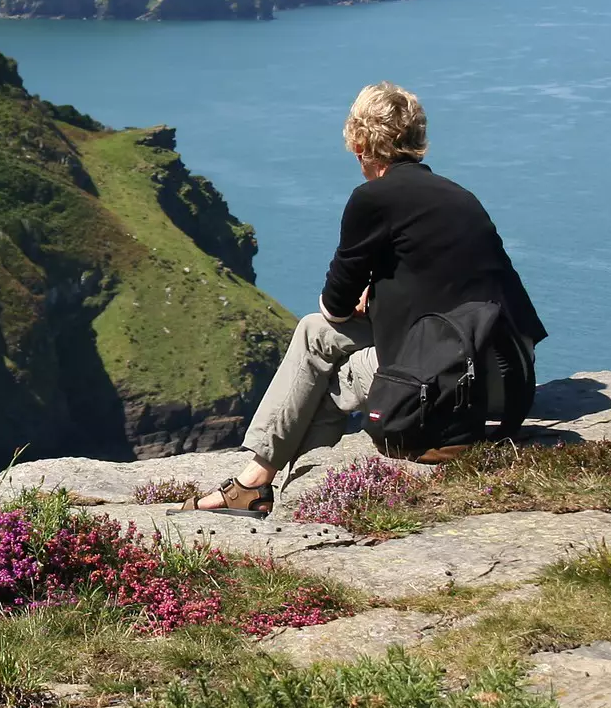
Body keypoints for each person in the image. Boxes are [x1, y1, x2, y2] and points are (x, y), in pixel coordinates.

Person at [181, 82, 546, 514]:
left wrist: (363, 298)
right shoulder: (462, 199)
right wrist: (379, 296)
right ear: (417, 137)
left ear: (359, 143)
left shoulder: (372, 199)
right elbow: (457, 293)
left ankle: (263, 483)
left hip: (443, 390)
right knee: (318, 339)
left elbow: (335, 305)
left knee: (318, 347)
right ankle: (278, 484)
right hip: (504, 383)